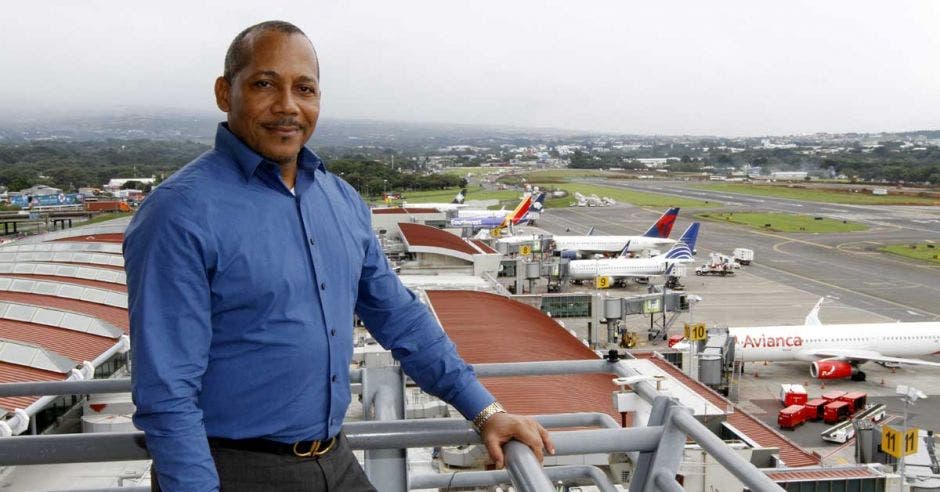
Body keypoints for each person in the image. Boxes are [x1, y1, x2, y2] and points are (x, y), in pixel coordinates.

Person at [123, 20, 553, 492]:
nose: (287, 106)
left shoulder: (340, 200)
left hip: (336, 459)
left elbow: (401, 319)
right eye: (265, 84)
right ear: (226, 93)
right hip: (234, 470)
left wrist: (486, 411)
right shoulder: (178, 214)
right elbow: (167, 392)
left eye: (304, 88)